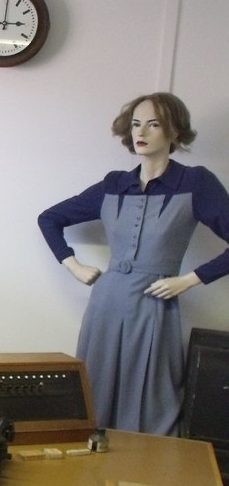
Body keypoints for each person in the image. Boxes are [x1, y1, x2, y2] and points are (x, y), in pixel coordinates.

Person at [38, 92, 229, 435]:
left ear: (173, 132)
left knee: (153, 393)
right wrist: (74, 265)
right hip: (105, 302)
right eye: (137, 124)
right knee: (94, 386)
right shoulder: (115, 184)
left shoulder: (195, 183)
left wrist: (189, 280)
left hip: (156, 301)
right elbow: (49, 218)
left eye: (154, 124)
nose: (142, 132)